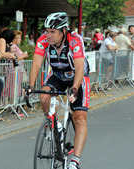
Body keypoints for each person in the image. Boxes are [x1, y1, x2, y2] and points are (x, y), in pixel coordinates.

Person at [29, 12, 90, 169]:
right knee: (44, 95)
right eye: (46, 31)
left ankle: (75, 161)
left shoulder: (75, 41)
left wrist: (75, 88)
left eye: (52, 32)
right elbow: (36, 64)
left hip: (77, 75)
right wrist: (30, 86)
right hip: (57, 75)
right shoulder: (43, 40)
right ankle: (57, 126)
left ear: (63, 31)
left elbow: (79, 68)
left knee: (80, 117)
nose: (48, 35)